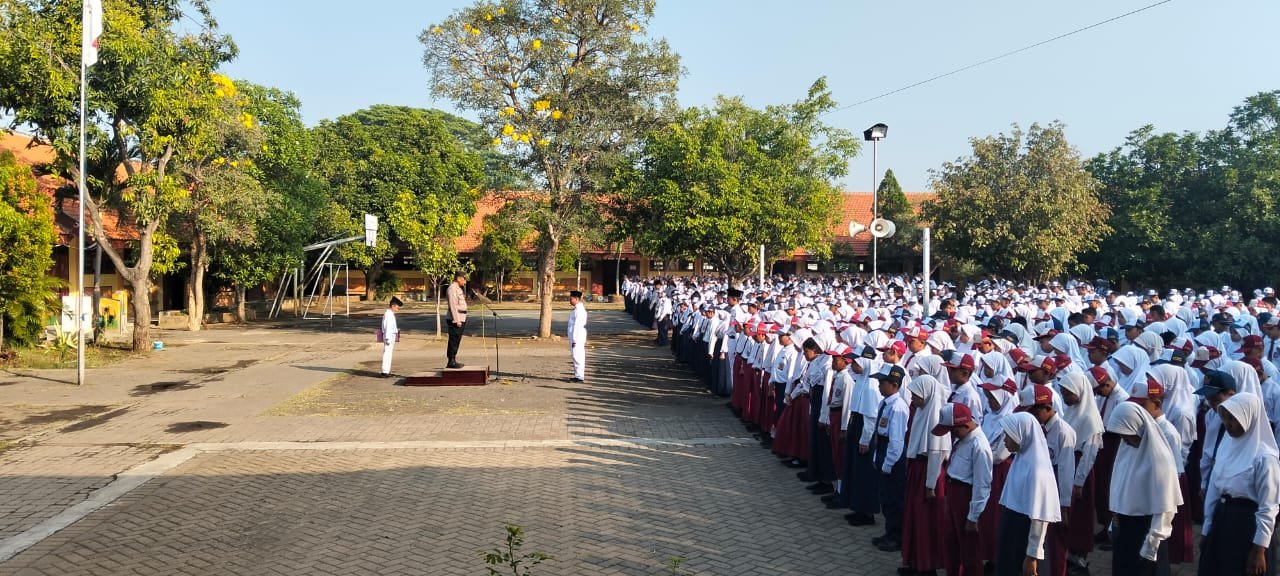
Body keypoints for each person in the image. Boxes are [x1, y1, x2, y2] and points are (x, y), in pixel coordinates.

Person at [1200, 393, 1280, 576]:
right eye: (1225, 418)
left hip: (1248, 525)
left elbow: (1268, 507)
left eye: (1234, 419)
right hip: (1223, 520)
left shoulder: (1264, 458)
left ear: (1249, 418)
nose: (1228, 424)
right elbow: (1214, 488)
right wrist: (1207, 528)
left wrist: (1259, 549)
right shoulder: (1226, 446)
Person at [1104, 401, 1182, 576]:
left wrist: (1151, 546)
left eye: (1128, 435)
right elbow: (1120, 488)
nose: (1125, 440)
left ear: (1139, 428)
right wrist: (1113, 524)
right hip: (1125, 528)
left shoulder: (1160, 459)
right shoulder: (1126, 451)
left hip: (1146, 531)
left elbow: (1165, 508)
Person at [996, 412, 1061, 576]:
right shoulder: (1021, 458)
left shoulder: (1037, 470)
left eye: (1008, 436)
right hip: (1012, 528)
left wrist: (1032, 555)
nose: (1004, 440)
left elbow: (1039, 516)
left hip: (1023, 534)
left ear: (1022, 434)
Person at [934, 402, 993, 576]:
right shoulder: (963, 438)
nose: (952, 435)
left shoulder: (979, 446)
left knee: (969, 551)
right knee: (951, 543)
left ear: (964, 424)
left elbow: (983, 484)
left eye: (953, 430)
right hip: (954, 492)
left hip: (965, 497)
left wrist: (973, 516)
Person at [871, 364, 910, 554]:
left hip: (893, 457)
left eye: (882, 382)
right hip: (883, 449)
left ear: (894, 384)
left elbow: (896, 440)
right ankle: (889, 532)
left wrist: (887, 464)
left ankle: (897, 536)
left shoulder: (898, 407)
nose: (879, 386)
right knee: (885, 498)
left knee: (894, 499)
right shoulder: (885, 403)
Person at [445, 273, 469, 369]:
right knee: (453, 340)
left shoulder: (458, 288)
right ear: (459, 278)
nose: (465, 281)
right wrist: (456, 320)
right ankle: (451, 361)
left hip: (461, 317)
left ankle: (453, 360)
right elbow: (453, 306)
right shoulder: (452, 289)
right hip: (455, 319)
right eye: (464, 279)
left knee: (456, 340)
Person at [568, 290, 588, 382]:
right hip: (576, 335)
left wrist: (574, 340)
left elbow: (577, 326)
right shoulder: (577, 309)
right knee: (576, 356)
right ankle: (578, 375)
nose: (569, 300)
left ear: (576, 299)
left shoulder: (579, 310)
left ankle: (579, 377)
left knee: (578, 356)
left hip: (578, 336)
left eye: (571, 298)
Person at [380, 296, 402, 377]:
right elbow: (388, 327)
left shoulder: (390, 314)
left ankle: (386, 371)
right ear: (393, 306)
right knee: (387, 354)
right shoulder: (388, 314)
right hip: (388, 337)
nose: (397, 309)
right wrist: (388, 338)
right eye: (397, 307)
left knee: (389, 354)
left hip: (390, 336)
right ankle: (385, 371)